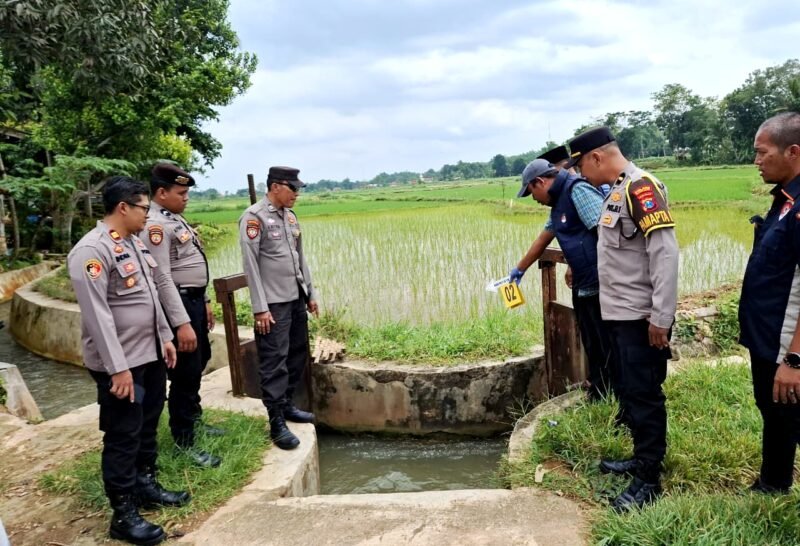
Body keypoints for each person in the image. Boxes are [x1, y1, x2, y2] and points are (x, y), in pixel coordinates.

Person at [67, 176, 189, 545]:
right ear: (124, 207)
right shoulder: (91, 251)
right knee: (123, 434)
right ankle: (123, 513)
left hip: (148, 353)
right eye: (143, 208)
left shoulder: (133, 243)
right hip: (120, 364)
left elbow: (151, 294)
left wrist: (165, 337)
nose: (147, 214)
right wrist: (118, 368)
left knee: (148, 423)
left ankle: (145, 485)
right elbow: (98, 316)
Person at [567, 126, 679, 511]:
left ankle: (649, 479)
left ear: (597, 157)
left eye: (581, 165)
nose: (580, 174)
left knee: (645, 394)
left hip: (640, 317)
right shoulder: (616, 190)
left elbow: (664, 253)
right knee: (631, 391)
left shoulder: (641, 188)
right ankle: (640, 457)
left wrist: (661, 318)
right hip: (618, 314)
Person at [510, 158, 615, 402]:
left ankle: (612, 395)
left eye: (531, 192)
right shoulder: (558, 204)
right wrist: (519, 270)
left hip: (602, 285)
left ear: (540, 182)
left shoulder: (577, 191)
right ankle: (599, 393)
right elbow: (544, 238)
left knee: (606, 343)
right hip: (584, 285)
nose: (533, 198)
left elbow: (607, 234)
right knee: (592, 343)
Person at [143, 162, 222, 469]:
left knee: (198, 362)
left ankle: (195, 420)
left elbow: (190, 267)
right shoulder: (156, 225)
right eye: (180, 192)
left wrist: (204, 300)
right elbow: (163, 277)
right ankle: (185, 440)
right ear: (161, 193)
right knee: (185, 372)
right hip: (178, 306)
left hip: (192, 300)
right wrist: (182, 323)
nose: (186, 197)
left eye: (187, 191)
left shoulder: (173, 218)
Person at [739, 112, 800, 495]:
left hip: (787, 342)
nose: (756, 161)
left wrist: (795, 360)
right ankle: (773, 482)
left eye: (762, 153)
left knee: (791, 411)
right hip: (766, 334)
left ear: (793, 151)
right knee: (774, 409)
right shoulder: (784, 199)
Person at [239, 166, 318, 450]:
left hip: (295, 297)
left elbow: (300, 258)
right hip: (272, 304)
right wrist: (260, 308)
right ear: (275, 187)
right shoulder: (254, 218)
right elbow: (250, 266)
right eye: (293, 188)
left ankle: (286, 406)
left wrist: (310, 293)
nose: (297, 193)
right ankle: (275, 421)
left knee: (297, 354)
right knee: (274, 361)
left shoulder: (290, 217)